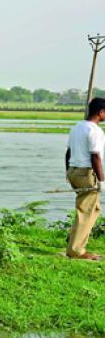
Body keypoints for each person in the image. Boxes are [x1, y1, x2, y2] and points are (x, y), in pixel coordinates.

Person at [64, 97, 105, 260]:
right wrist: (101, 181)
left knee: (91, 209)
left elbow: (68, 152)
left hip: (74, 171)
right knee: (86, 211)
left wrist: (68, 172)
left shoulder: (76, 127)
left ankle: (75, 244)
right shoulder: (94, 131)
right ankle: (76, 250)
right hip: (87, 173)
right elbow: (96, 157)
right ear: (101, 112)